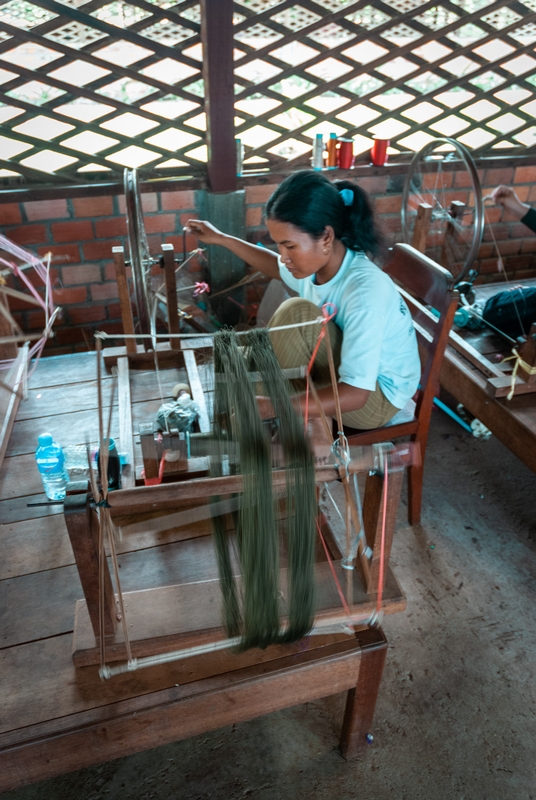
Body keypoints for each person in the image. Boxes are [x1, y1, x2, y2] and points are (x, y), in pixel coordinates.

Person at [186, 170, 420, 430]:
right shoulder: (320, 266)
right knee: (235, 358)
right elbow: (275, 266)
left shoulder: (364, 293)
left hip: (374, 400)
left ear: (326, 237)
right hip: (341, 375)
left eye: (290, 246)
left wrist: (272, 405)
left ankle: (259, 420)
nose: (283, 256)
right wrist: (221, 238)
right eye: (279, 245)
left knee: (296, 316)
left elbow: (355, 394)